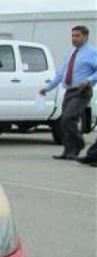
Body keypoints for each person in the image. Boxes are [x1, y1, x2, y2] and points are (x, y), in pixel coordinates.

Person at [40, 26, 97, 160]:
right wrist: (48, 88)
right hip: (69, 90)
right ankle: (69, 151)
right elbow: (61, 74)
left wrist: (89, 80)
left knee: (68, 118)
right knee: (63, 121)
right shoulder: (71, 54)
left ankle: (79, 143)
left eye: (77, 36)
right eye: (72, 36)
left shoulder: (92, 52)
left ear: (85, 37)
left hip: (82, 91)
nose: (74, 38)